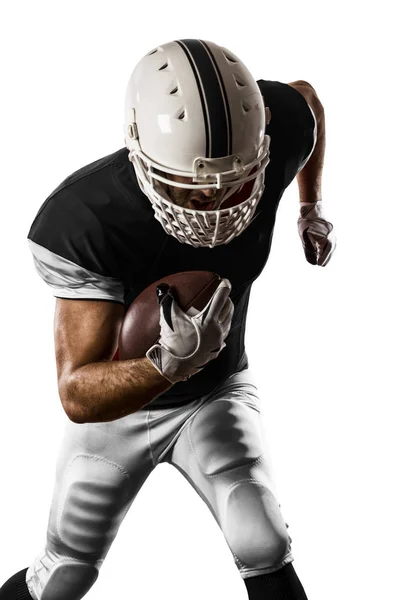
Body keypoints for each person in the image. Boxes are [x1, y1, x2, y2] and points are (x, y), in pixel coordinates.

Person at [0, 39, 335, 600]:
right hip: (120, 415)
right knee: (63, 574)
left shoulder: (278, 139)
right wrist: (165, 366)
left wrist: (312, 206)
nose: (219, 202)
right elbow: (78, 393)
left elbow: (307, 102)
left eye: (235, 180)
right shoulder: (86, 219)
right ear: (139, 153)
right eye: (196, 186)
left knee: (263, 538)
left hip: (216, 389)